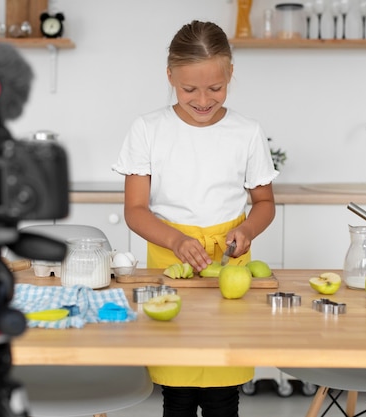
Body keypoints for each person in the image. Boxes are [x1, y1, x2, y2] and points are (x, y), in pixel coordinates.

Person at [112, 20, 278, 417]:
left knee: (223, 388)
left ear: (230, 74)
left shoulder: (247, 131)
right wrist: (175, 241)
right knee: (178, 386)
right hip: (170, 260)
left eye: (215, 88)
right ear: (170, 77)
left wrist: (247, 229)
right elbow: (135, 210)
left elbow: (264, 202)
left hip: (228, 265)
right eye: (189, 89)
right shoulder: (148, 129)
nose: (203, 100)